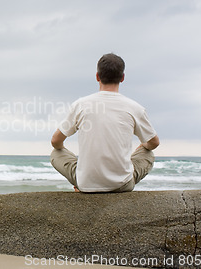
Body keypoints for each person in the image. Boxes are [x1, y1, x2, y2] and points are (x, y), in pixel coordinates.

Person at [50, 53, 159, 193]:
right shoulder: (135, 108)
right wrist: (143, 145)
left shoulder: (80, 105)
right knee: (148, 153)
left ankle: (83, 180)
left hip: (86, 185)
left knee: (55, 153)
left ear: (97, 76)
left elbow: (55, 142)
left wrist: (74, 157)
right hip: (122, 185)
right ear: (122, 78)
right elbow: (154, 143)